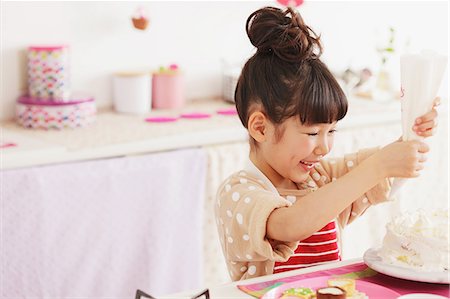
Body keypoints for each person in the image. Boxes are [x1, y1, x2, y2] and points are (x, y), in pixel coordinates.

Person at [215, 6, 440, 281]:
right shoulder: (238, 193)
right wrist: (378, 167)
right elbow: (290, 224)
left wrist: (414, 131)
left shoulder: (320, 178)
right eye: (312, 134)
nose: (324, 148)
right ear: (260, 127)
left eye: (331, 131)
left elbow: (388, 170)